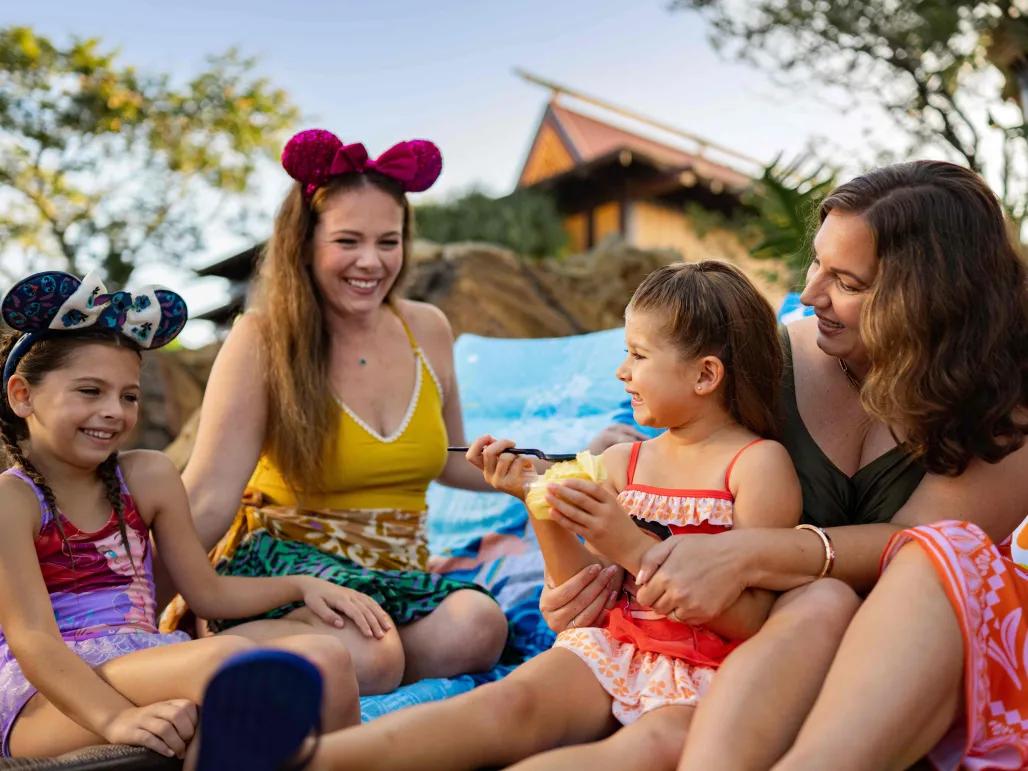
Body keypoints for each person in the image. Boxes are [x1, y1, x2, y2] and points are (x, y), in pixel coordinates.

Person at [203, 259, 806, 770]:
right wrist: (535, 501)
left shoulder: (756, 468)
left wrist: (630, 544)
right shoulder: (624, 462)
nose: (622, 372)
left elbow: (758, 620)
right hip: (614, 648)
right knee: (508, 704)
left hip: (707, 676)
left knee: (646, 748)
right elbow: (581, 596)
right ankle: (304, 759)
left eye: (638, 355)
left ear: (706, 374)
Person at [542, 160, 1028, 770]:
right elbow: (671, 445)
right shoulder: (780, 359)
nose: (811, 293)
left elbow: (922, 548)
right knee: (808, 611)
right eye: (816, 261)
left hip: (907, 658)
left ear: (930, 302)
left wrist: (748, 553)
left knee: (872, 584)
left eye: (848, 282)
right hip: (761, 643)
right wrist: (588, 569)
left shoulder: (1003, 410)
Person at [160, 128, 508, 693]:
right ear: (305, 242)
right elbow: (203, 497)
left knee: (478, 627)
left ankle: (337, 666)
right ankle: (196, 651)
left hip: (396, 569)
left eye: (388, 242)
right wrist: (126, 606)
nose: (371, 262)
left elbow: (451, 458)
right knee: (371, 654)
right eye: (347, 241)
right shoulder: (262, 338)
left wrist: (565, 466)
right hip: (289, 568)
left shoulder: (428, 328)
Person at [0, 271, 383, 761]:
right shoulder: (15, 501)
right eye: (90, 391)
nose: (114, 411)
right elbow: (33, 641)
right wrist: (117, 718)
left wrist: (303, 585)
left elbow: (208, 592)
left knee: (327, 656)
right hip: (50, 699)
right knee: (226, 663)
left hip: (148, 657)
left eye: (129, 396)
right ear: (22, 396)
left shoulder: (148, 477)